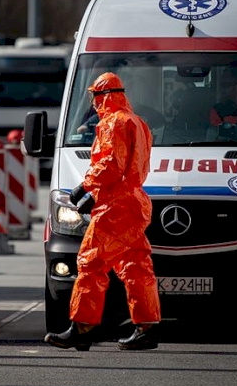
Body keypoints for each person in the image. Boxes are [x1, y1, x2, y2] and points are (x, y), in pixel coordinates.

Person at [44, 72, 161, 351]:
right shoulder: (138, 122)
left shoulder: (112, 123)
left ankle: (82, 329)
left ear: (103, 96)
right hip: (134, 201)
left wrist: (84, 186)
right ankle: (146, 328)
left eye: (94, 97)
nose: (93, 104)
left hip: (115, 205)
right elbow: (131, 167)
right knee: (136, 266)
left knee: (90, 263)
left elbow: (110, 164)